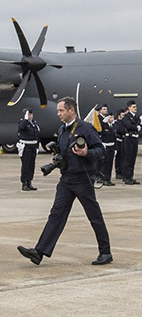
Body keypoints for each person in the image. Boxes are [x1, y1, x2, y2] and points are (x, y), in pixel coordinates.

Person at [17, 96, 113, 266]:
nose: (58, 114)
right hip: (66, 179)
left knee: (94, 216)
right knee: (56, 215)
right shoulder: (62, 129)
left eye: (61, 110)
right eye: (58, 111)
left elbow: (101, 149)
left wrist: (86, 153)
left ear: (71, 110)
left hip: (83, 179)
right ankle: (39, 252)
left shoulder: (86, 128)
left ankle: (105, 252)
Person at [18, 109, 40, 191]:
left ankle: (29, 182)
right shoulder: (22, 123)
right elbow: (21, 128)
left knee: (31, 165)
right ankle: (24, 183)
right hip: (26, 146)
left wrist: (37, 147)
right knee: (26, 165)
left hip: (33, 146)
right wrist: (25, 119)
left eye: (31, 115)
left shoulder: (34, 124)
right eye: (29, 115)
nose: (30, 116)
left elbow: (37, 136)